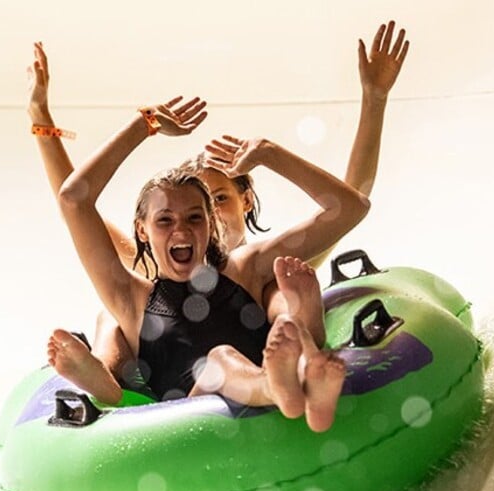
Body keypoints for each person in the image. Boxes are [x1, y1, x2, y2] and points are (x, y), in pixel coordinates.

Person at [49, 98, 369, 432]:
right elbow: (73, 199)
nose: (181, 230)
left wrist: (268, 152)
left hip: (264, 405)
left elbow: (350, 208)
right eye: (164, 220)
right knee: (219, 360)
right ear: (142, 230)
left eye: (194, 217)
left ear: (211, 224)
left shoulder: (247, 267)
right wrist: (144, 124)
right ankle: (274, 387)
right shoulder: (131, 298)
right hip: (192, 425)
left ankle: (306, 377)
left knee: (285, 319)